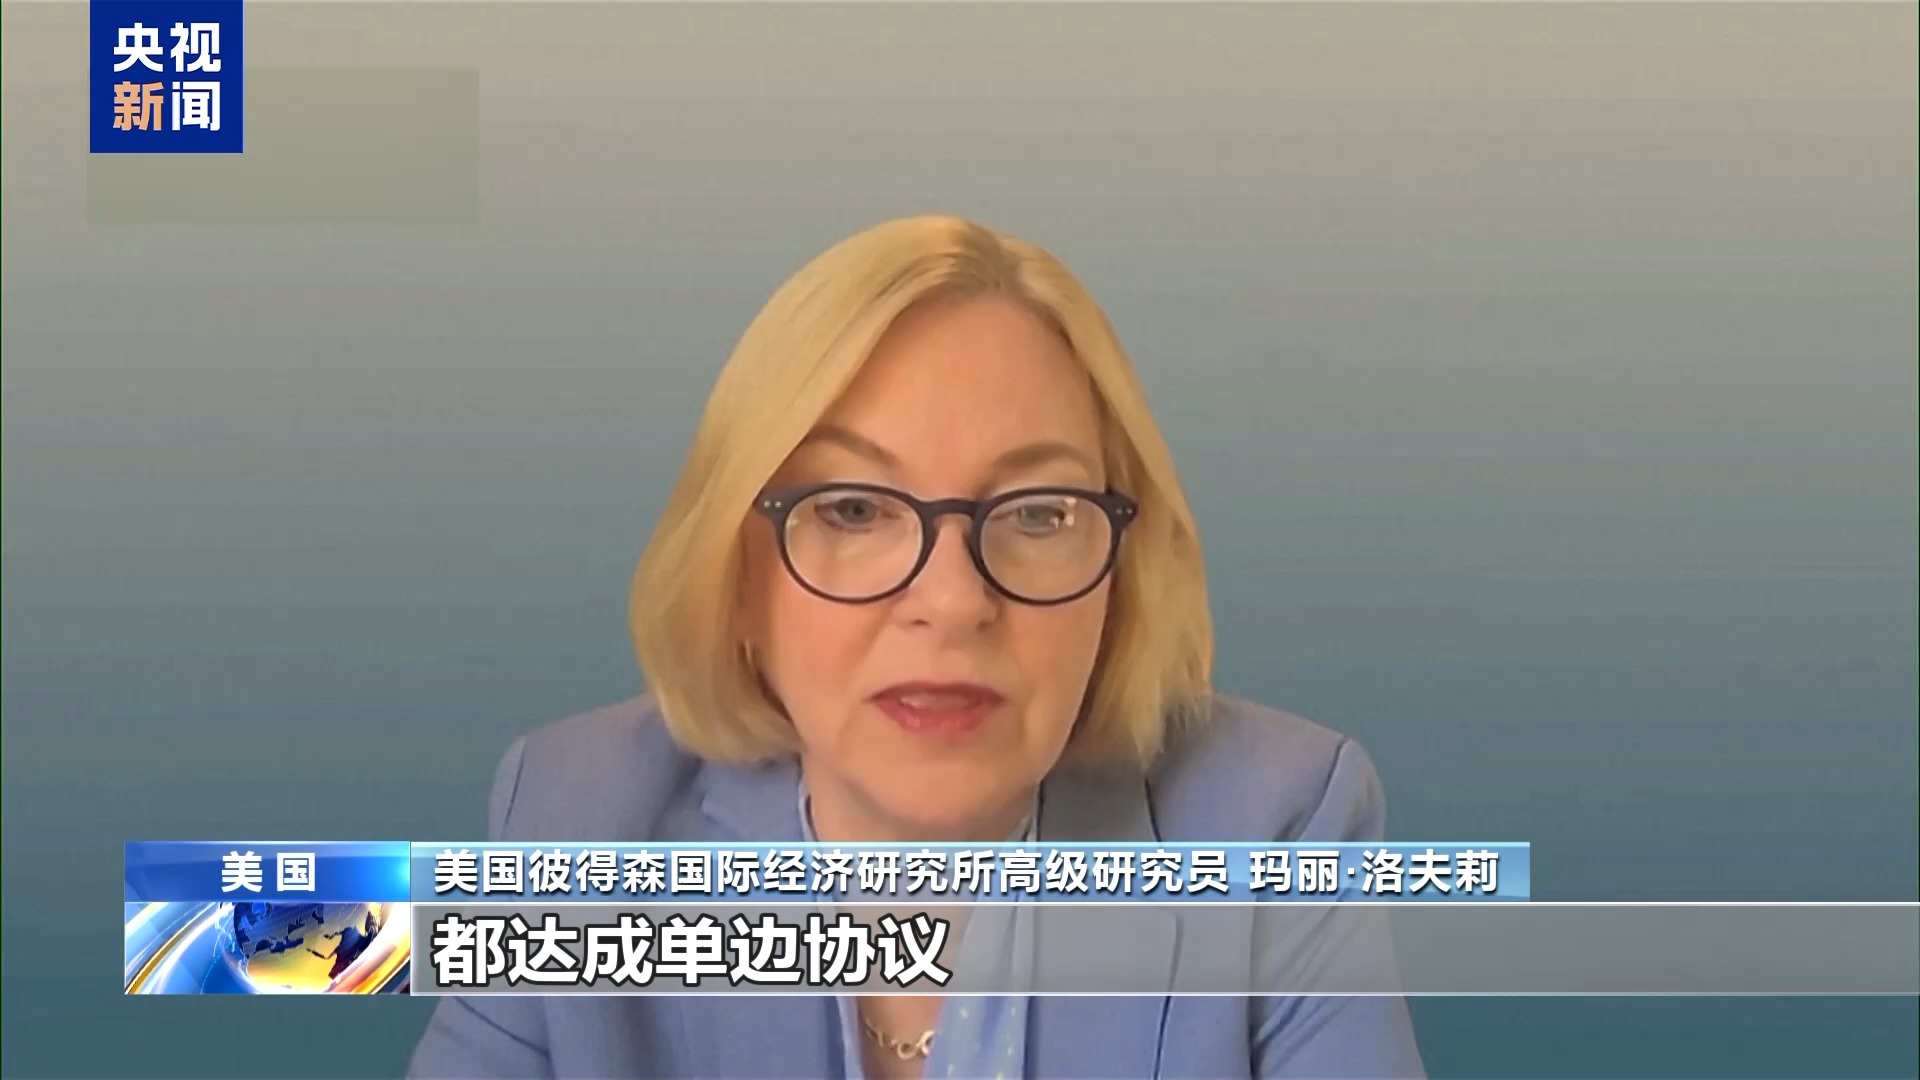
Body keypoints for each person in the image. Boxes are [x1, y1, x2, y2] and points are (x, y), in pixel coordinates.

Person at [408, 214, 1426, 1079]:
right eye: (853, 509)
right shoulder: (574, 826)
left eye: (1038, 513)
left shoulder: (1278, 833)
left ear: (1119, 579)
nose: (951, 601)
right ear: (737, 580)